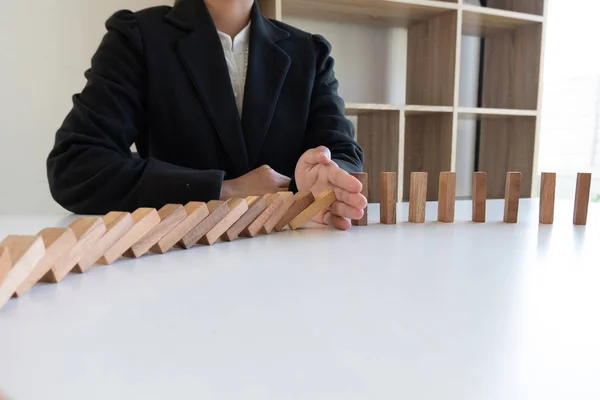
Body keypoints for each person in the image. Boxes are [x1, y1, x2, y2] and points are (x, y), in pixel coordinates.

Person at [46, 0, 367, 231]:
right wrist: (221, 190)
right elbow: (76, 168)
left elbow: (341, 151)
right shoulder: (136, 38)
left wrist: (328, 178)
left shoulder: (309, 52)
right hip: (173, 264)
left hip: (289, 264)